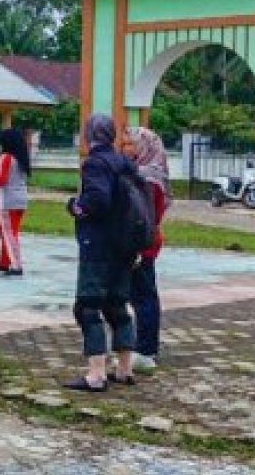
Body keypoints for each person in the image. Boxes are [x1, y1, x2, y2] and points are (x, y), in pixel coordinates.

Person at [62, 114, 138, 392]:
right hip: (124, 244)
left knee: (88, 306)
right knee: (117, 304)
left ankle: (96, 374)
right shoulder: (124, 162)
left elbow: (97, 199)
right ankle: (125, 368)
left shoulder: (95, 163)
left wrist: (76, 207)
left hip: (99, 245)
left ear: (88, 135)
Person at [117, 125, 171, 378]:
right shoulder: (141, 173)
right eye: (124, 144)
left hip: (141, 242)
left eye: (130, 144)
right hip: (141, 240)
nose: (125, 149)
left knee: (144, 295)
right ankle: (142, 344)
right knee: (140, 293)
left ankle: (146, 349)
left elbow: (142, 214)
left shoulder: (148, 178)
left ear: (144, 147)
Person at [0, 128, 31, 276]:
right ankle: (4, 262)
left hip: (7, 201)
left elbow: (0, 180)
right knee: (8, 233)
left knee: (8, 234)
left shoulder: (5, 157)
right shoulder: (21, 158)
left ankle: (16, 265)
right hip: (21, 200)